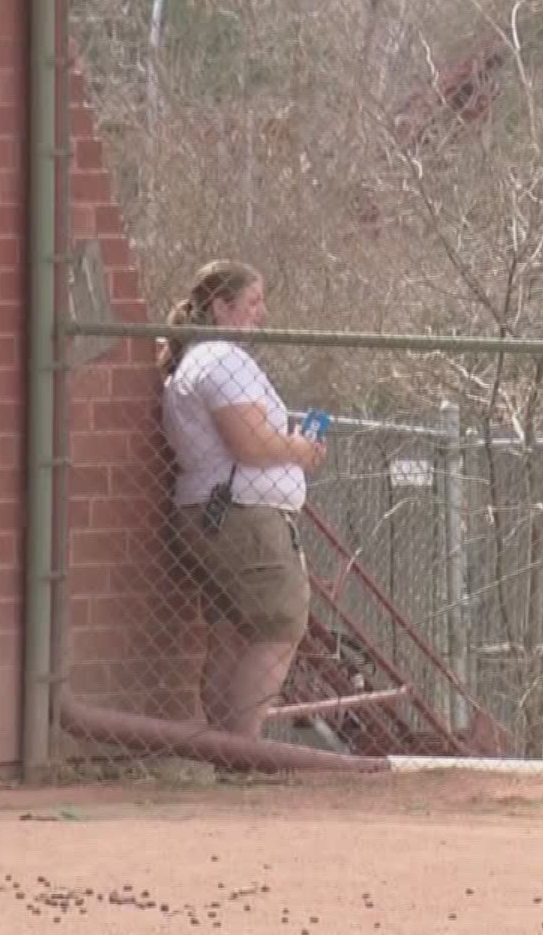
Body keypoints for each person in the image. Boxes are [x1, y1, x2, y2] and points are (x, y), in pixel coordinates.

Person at [157, 260, 326, 739]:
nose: (261, 313)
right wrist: (300, 448)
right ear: (221, 306)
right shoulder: (222, 360)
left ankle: (226, 744)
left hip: (213, 509)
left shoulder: (197, 360)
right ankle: (245, 743)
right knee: (281, 622)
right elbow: (248, 442)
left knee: (232, 632)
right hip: (240, 512)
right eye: (252, 302)